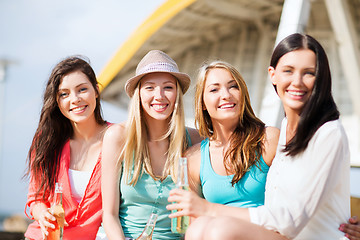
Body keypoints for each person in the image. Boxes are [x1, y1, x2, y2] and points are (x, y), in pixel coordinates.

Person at [182, 33, 351, 239]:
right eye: (288, 71)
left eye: (309, 73)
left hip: (293, 233)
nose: (297, 81)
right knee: (198, 229)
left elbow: (289, 220)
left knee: (220, 229)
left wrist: (211, 210)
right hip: (270, 231)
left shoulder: (323, 134)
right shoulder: (287, 128)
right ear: (273, 75)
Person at [101, 50, 202, 240]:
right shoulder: (117, 137)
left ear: (177, 94)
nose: (159, 95)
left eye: (168, 87)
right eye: (149, 87)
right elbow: (109, 215)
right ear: (138, 94)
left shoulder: (196, 140)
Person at [166, 61, 279, 215]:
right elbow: (190, 223)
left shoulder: (268, 139)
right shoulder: (193, 159)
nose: (226, 95)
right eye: (214, 89)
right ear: (203, 103)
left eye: (233, 86)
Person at [24, 56, 109, 240]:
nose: (75, 99)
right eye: (64, 94)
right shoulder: (46, 141)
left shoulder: (117, 137)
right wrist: (43, 215)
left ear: (96, 90)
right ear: (57, 101)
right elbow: (36, 199)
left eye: (82, 89)